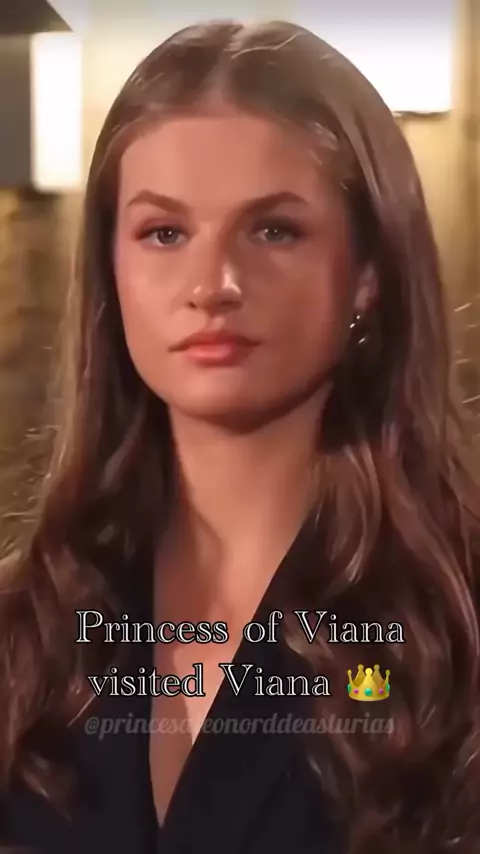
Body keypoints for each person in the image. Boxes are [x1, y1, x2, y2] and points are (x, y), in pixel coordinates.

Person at [0, 17, 479, 854]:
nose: (213, 284)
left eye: (273, 230)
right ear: (111, 270)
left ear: (368, 275)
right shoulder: (29, 630)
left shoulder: (454, 632)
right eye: (164, 233)